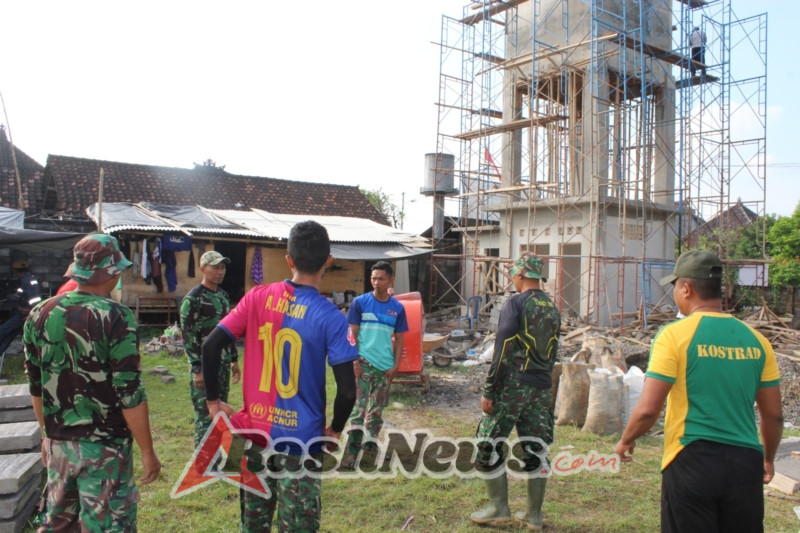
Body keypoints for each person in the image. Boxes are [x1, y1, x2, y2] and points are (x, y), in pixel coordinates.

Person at [201, 220, 358, 532]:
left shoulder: (256, 297)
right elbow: (348, 392)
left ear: (289, 260)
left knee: (254, 523)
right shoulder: (331, 317)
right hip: (301, 443)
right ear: (328, 260)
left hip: (254, 436)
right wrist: (336, 430)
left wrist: (213, 401)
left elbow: (210, 345)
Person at [615, 249, 783, 533]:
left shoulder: (673, 335)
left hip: (691, 459)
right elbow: (775, 416)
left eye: (676, 288)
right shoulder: (758, 341)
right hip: (744, 463)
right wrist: (767, 458)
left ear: (686, 288)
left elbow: (647, 410)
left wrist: (626, 439)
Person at [23, 234, 161, 532]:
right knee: (108, 526)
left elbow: (36, 384)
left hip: (60, 446)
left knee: (59, 524)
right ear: (112, 273)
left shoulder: (39, 313)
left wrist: (47, 434)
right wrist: (147, 451)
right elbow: (129, 392)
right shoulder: (116, 316)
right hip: (105, 450)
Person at [471, 251, 560, 530]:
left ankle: (498, 507)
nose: (510, 276)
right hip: (542, 387)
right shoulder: (552, 306)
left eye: (512, 272)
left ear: (521, 274)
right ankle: (534, 515)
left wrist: (490, 389)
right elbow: (554, 350)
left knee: (488, 442)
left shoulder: (516, 303)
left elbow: (503, 348)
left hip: (514, 386)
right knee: (536, 447)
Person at [342, 261, 408, 468]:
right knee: (358, 412)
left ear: (390, 280)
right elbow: (351, 334)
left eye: (380, 278)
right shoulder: (360, 303)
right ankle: (351, 456)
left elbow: (400, 339)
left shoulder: (397, 308)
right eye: (373, 278)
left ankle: (369, 452)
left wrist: (396, 365)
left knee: (377, 412)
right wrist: (354, 360)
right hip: (362, 364)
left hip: (385, 368)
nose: (376, 283)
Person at [180, 250, 241, 448]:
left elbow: (228, 331)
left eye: (222, 267)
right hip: (205, 366)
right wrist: (196, 368)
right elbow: (187, 335)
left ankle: (214, 456)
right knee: (205, 413)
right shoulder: (193, 299)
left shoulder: (223, 297)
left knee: (220, 410)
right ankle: (203, 460)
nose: (220, 272)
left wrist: (233, 360)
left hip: (222, 364)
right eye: (215, 267)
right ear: (202, 269)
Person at [0, 259, 41, 361]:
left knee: (4, 331)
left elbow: (33, 298)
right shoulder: (31, 279)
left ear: (18, 271)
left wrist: (28, 311)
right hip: (27, 313)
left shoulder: (25, 280)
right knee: (10, 335)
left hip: (23, 314)